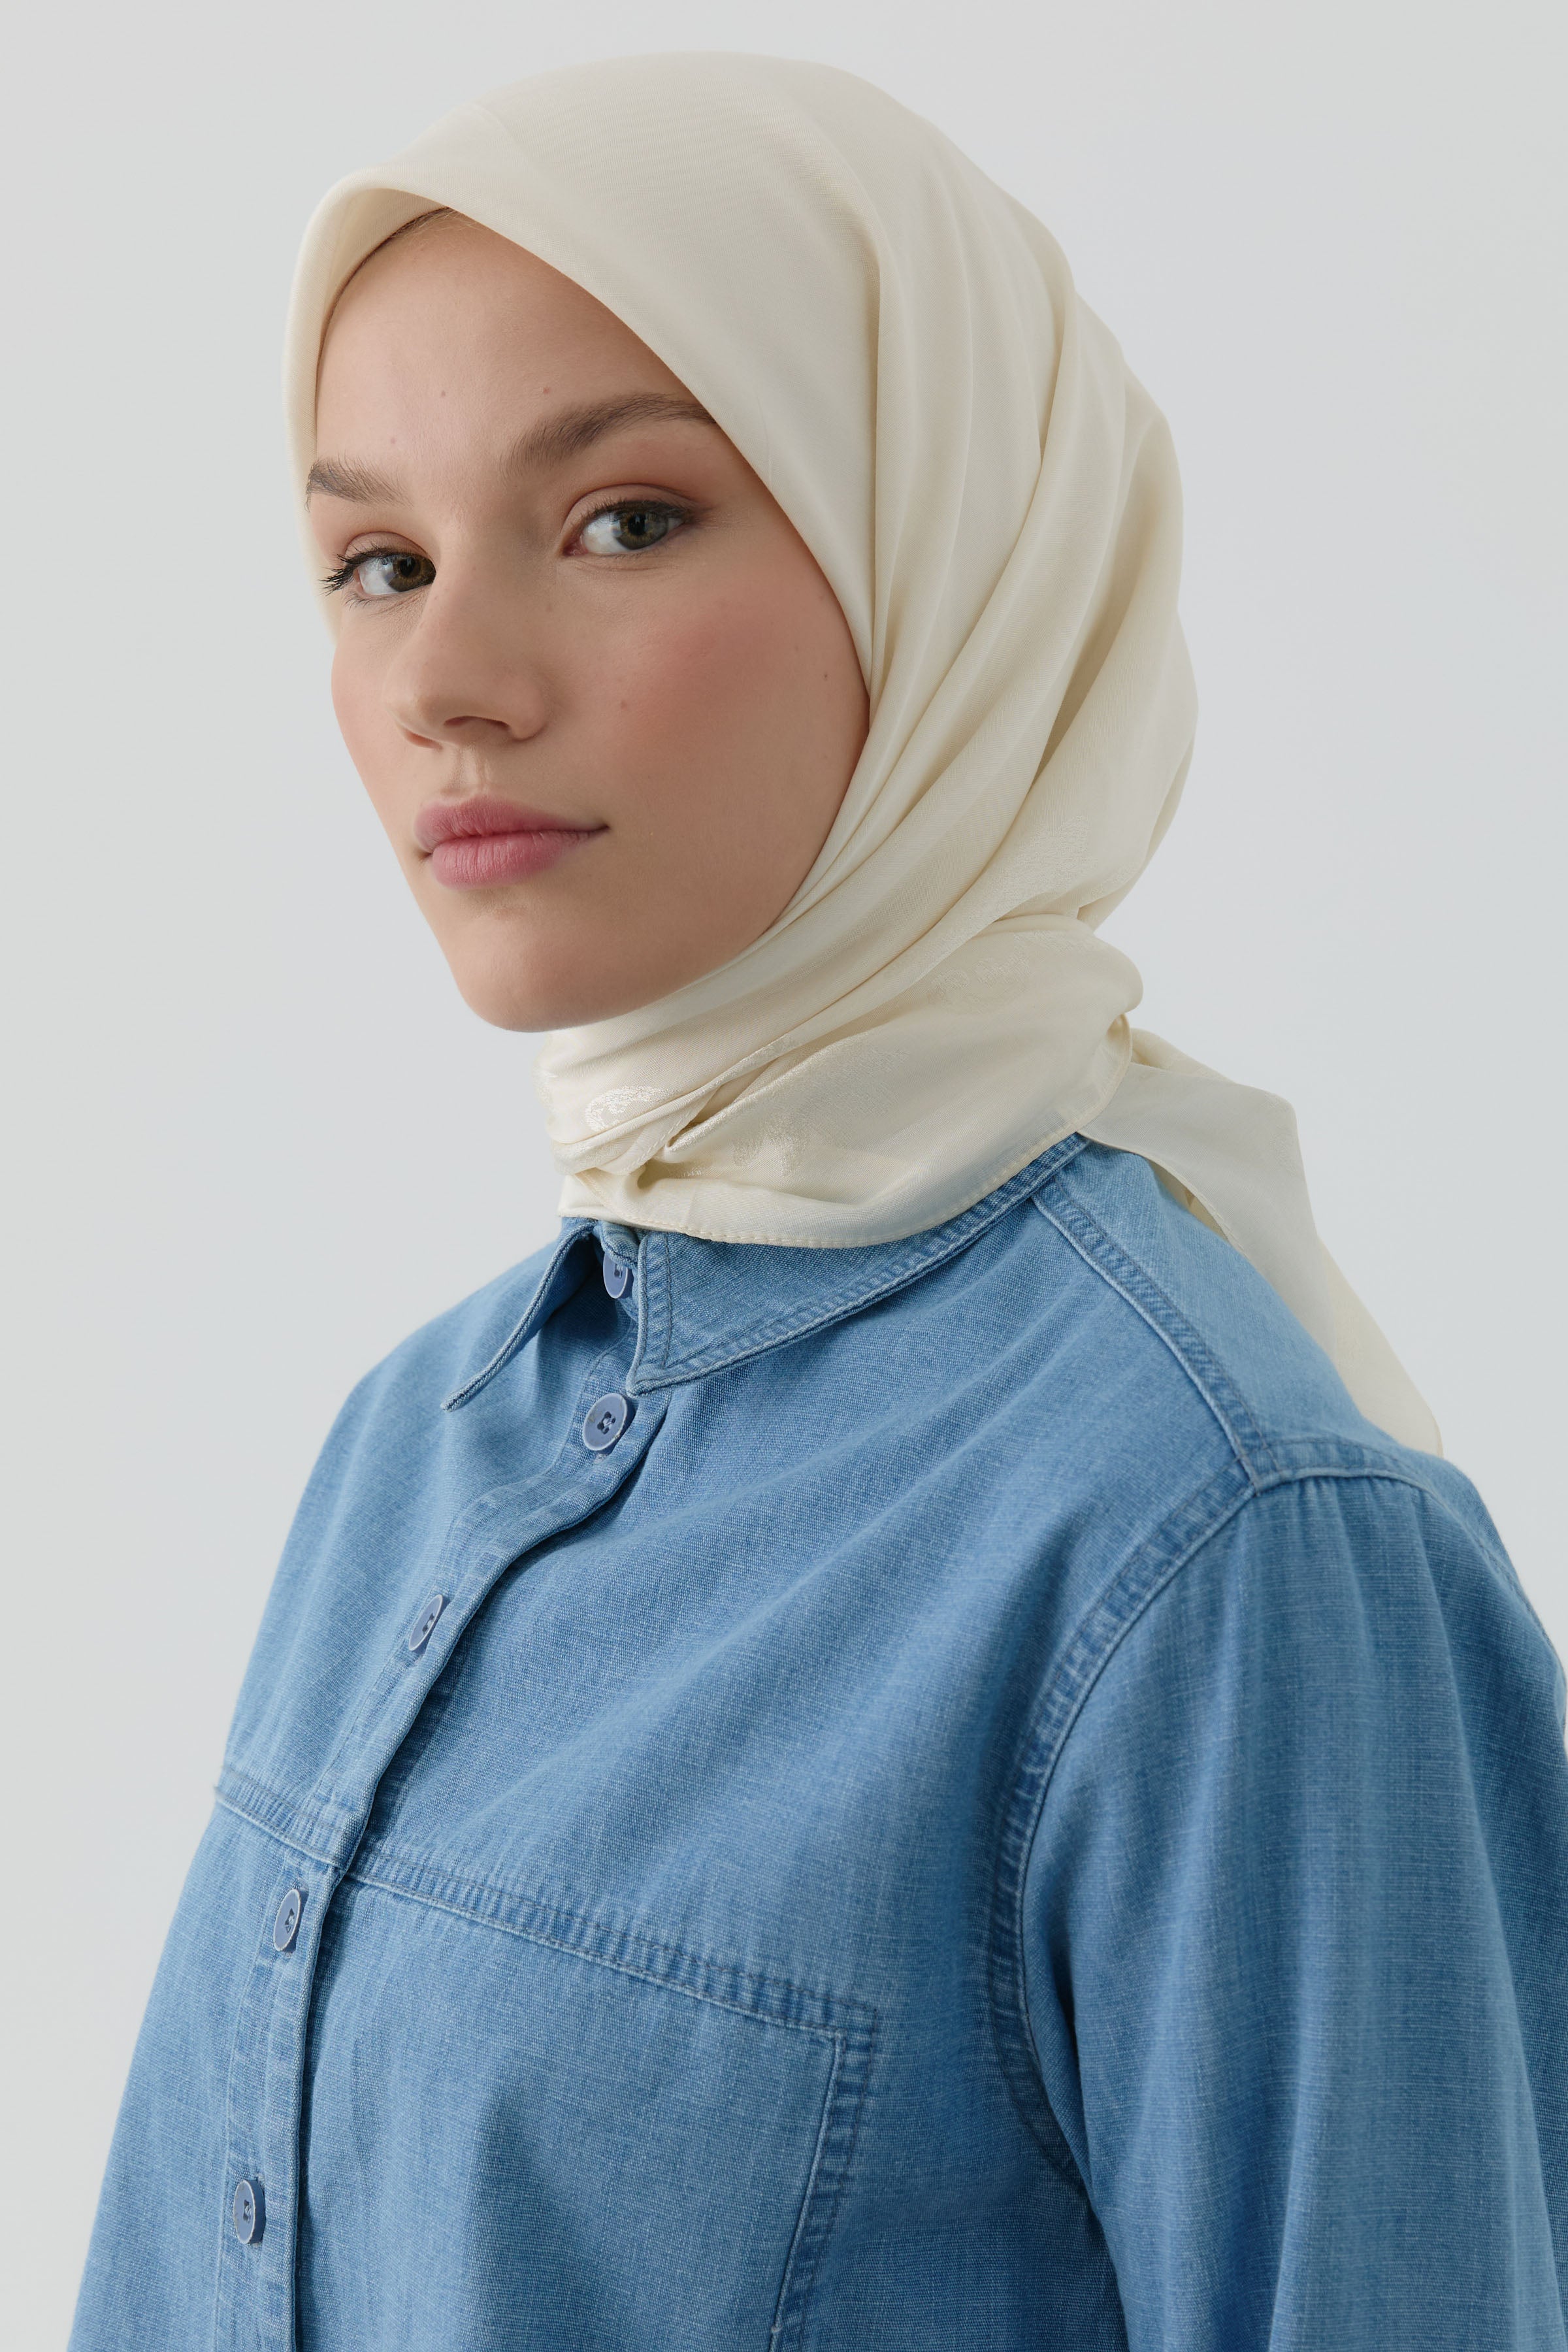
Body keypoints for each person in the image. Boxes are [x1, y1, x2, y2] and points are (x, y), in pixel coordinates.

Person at [71, 53, 1567, 2352]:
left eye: (624, 519)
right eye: (378, 564)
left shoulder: (1223, 1541)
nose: (447, 682)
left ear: (943, 554)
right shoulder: (416, 1446)